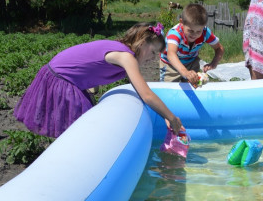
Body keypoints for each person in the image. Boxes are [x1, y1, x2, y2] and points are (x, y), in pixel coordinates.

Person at [14, 23, 184, 138]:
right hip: (62, 80)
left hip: (58, 74)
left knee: (80, 130)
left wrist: (164, 116)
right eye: (153, 52)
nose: (152, 58)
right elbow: (146, 95)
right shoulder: (126, 57)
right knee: (80, 132)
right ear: (142, 43)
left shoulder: (122, 50)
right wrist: (172, 118)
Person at [159, 3, 224, 86]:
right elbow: (171, 54)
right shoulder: (175, 34)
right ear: (181, 22)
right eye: (190, 31)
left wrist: (214, 63)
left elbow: (219, 48)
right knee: (169, 90)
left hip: (191, 62)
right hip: (170, 65)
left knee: (195, 85)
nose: (194, 35)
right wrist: (185, 72)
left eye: (198, 31)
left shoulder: (205, 32)